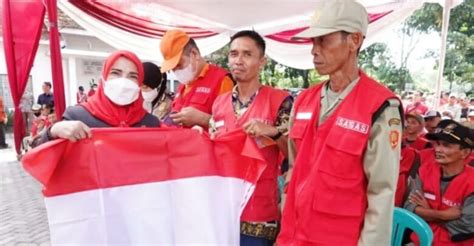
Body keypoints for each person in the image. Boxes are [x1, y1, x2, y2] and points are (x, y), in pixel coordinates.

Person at [279, 2, 402, 245]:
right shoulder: (303, 101)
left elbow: (381, 193)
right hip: (293, 235)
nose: (314, 50)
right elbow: (294, 166)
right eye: (313, 42)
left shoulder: (380, 107)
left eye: (323, 40)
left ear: (354, 41)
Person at [209, 30, 292, 246]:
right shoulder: (219, 103)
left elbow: (296, 154)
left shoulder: (280, 101)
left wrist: (273, 132)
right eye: (234, 54)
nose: (238, 60)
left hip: (259, 211)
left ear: (262, 61)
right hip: (223, 208)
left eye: (247, 54)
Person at [34, 50, 159, 145]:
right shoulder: (77, 116)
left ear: (139, 83)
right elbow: (38, 152)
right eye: (115, 73)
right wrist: (53, 131)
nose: (124, 81)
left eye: (133, 76)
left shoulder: (150, 123)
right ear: (103, 79)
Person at [404, 120, 474, 245]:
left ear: (465, 153)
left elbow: (467, 227)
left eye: (446, 145)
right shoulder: (425, 170)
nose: (438, 149)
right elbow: (409, 208)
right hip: (420, 241)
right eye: (437, 144)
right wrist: (444, 215)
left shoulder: (471, 181)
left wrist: (427, 212)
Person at [159, 29, 233, 128]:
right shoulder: (183, 85)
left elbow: (229, 126)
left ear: (194, 54)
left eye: (179, 65)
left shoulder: (221, 80)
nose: (176, 72)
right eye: (172, 69)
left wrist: (203, 119)